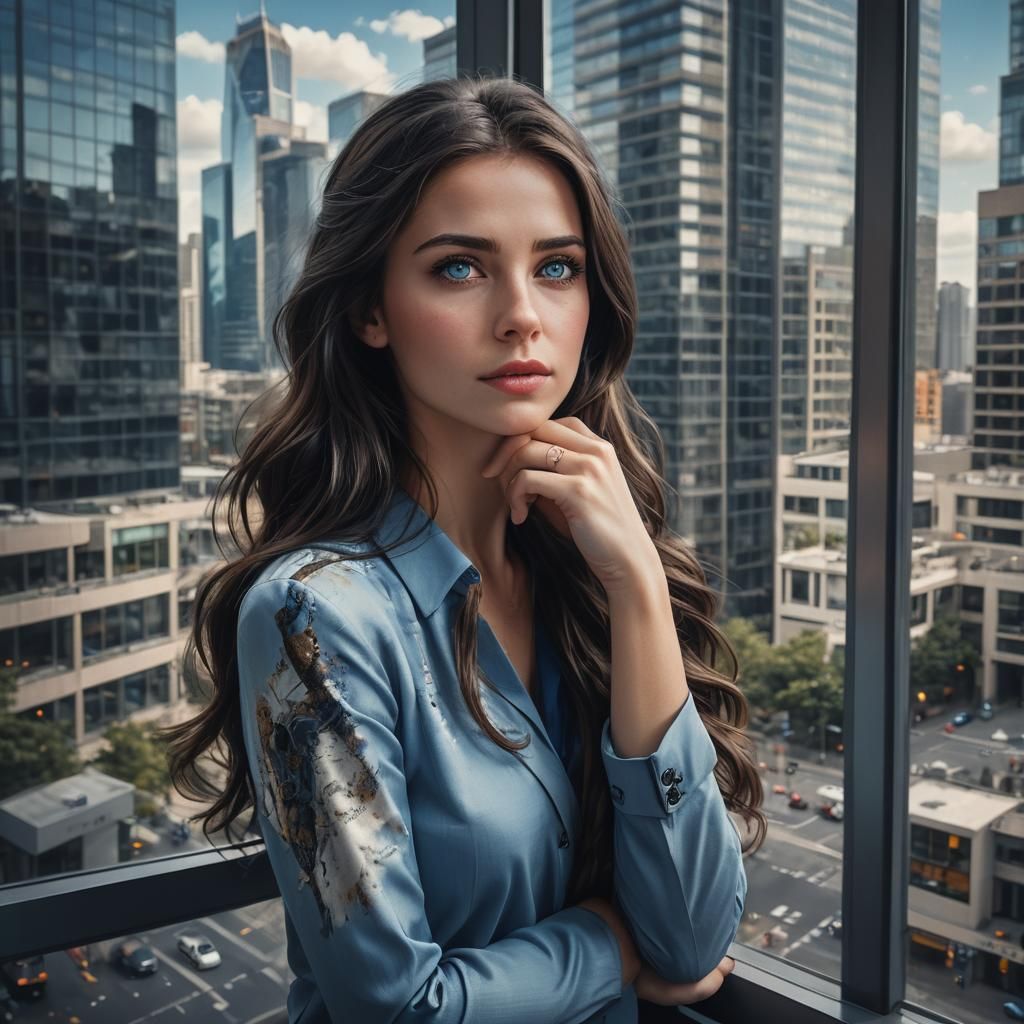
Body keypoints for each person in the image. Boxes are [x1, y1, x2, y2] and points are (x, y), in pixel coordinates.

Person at [160, 73, 766, 1024]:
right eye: (459, 268)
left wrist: (640, 590)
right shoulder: (315, 614)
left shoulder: (591, 570)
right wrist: (611, 946)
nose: (523, 314)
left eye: (557, 267)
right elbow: (399, 1009)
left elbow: (691, 943)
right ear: (370, 310)